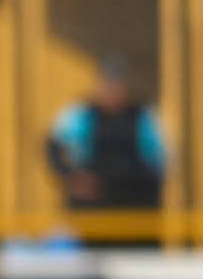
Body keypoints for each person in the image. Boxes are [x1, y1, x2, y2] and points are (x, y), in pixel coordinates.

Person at [45, 61, 170, 217]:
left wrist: (149, 186)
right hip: (92, 207)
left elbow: (163, 159)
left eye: (118, 85)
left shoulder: (144, 117)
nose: (112, 91)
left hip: (136, 206)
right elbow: (53, 146)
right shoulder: (82, 114)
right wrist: (71, 177)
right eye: (108, 85)